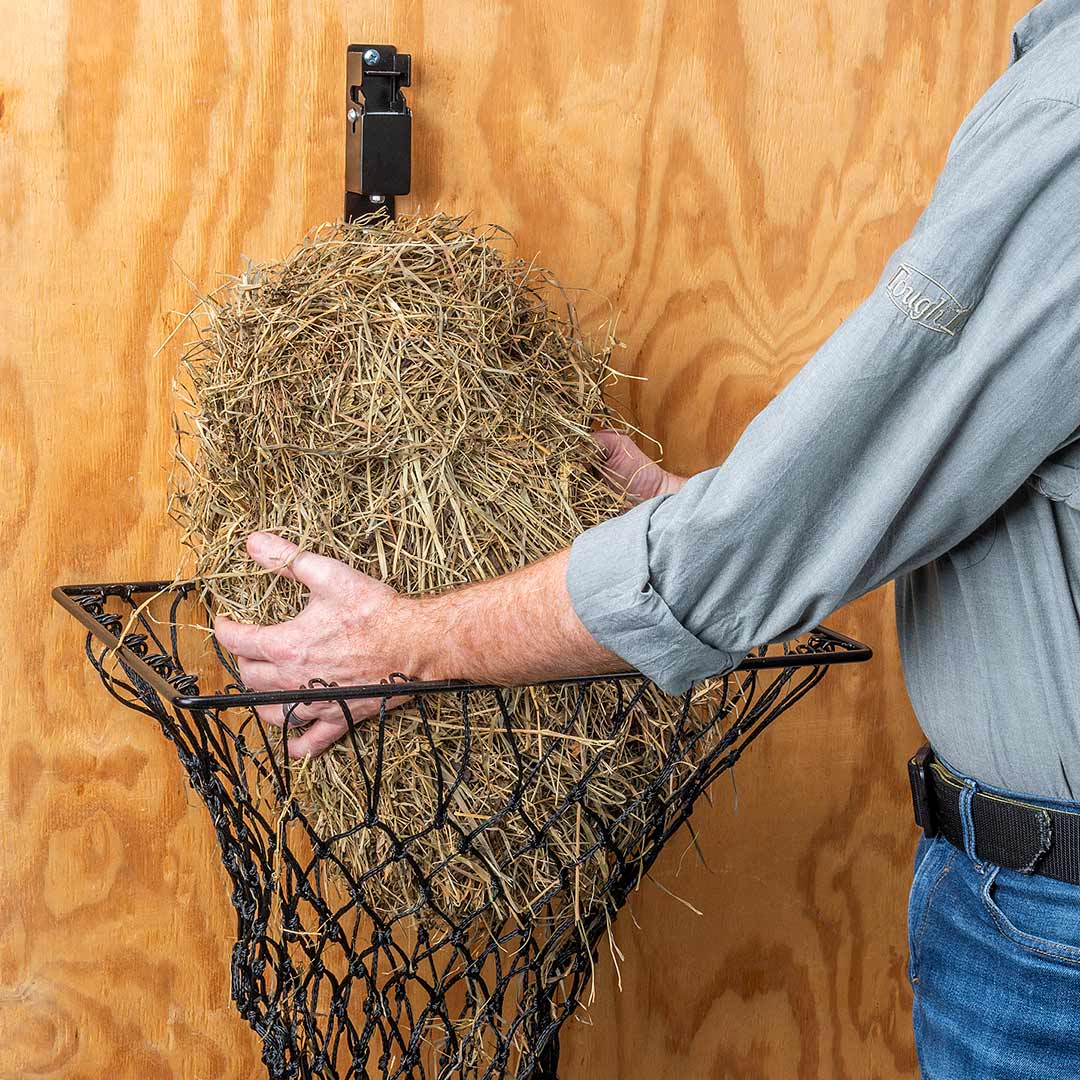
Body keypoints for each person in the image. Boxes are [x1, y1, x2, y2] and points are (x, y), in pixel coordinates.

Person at [214, 1, 1080, 1074]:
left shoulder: (1071, 126)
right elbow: (989, 453)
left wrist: (406, 643)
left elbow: (793, 512)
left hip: (1055, 943)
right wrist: (731, 517)